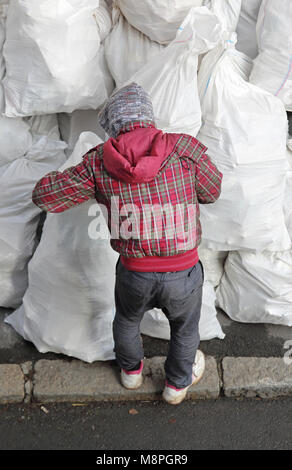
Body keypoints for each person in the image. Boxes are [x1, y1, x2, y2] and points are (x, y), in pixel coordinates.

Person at [32, 83, 222, 405]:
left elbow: (45, 197)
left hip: (135, 273)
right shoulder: (185, 150)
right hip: (184, 272)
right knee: (185, 329)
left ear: (113, 125)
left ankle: (131, 374)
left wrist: (57, 175)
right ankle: (176, 386)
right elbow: (212, 191)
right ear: (148, 116)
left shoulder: (99, 163)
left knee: (127, 320)